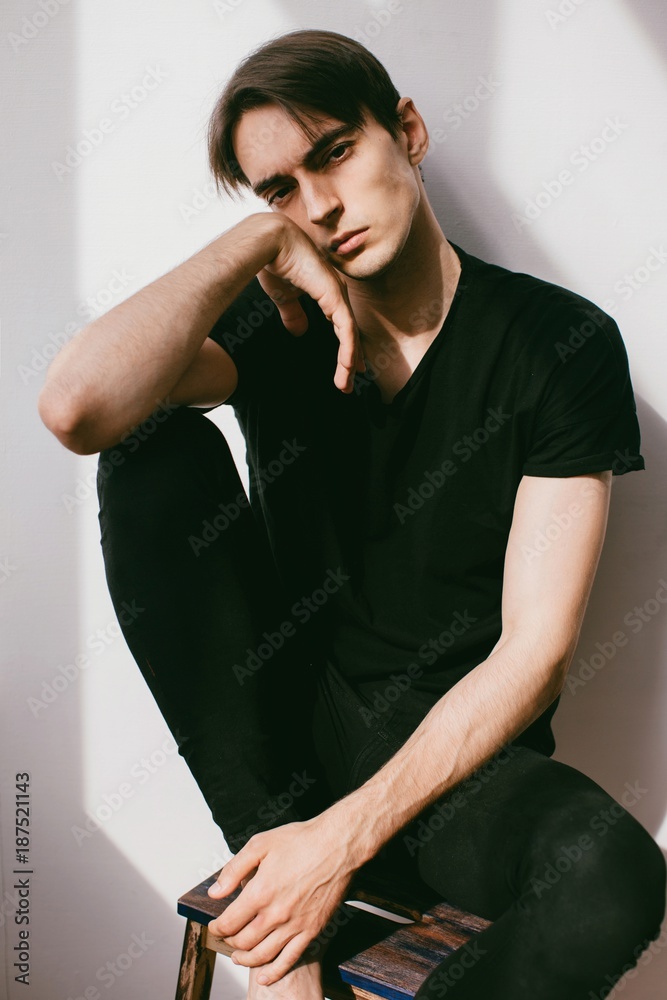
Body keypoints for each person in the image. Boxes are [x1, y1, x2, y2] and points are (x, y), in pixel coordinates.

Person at [38, 28, 665, 1000]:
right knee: (147, 439)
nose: (319, 206)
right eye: (280, 190)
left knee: (611, 877)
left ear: (406, 130)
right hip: (282, 743)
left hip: (452, 773)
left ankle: (300, 903)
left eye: (332, 152)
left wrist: (339, 842)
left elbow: (534, 654)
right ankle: (284, 941)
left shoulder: (557, 341)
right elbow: (78, 409)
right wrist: (250, 244)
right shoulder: (276, 323)